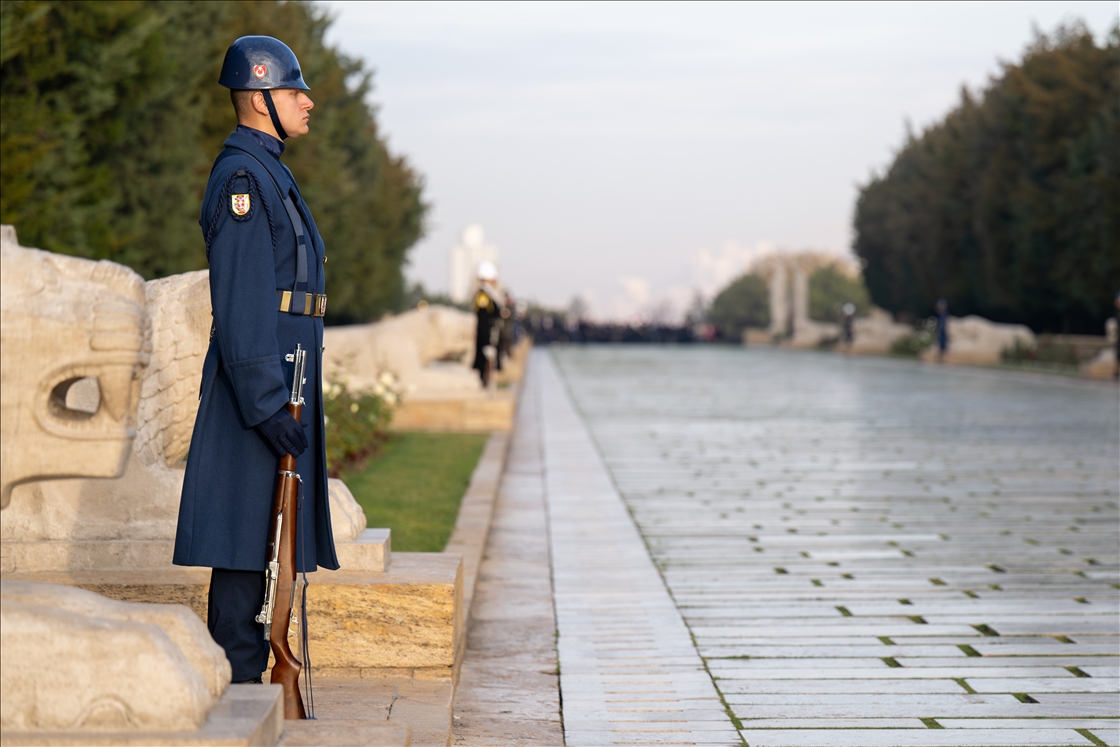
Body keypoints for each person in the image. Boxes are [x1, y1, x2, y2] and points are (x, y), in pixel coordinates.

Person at [173, 36, 338, 684]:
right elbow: (242, 301)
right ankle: (240, 691)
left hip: (281, 377)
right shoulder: (244, 176)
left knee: (266, 542)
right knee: (245, 541)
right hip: (261, 386)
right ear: (262, 97)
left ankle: (252, 684)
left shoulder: (268, 168)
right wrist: (267, 403)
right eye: (296, 91)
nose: (309, 101)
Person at [472, 261, 503, 387]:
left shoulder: (490, 293)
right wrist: (486, 341)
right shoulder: (483, 295)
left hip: (492, 332)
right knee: (484, 364)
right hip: (487, 334)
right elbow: (483, 319)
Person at [934, 298, 950, 362]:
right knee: (939, 345)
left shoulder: (945, 314)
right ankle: (940, 358)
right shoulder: (939, 314)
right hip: (940, 332)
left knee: (943, 345)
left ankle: (942, 358)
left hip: (944, 333)